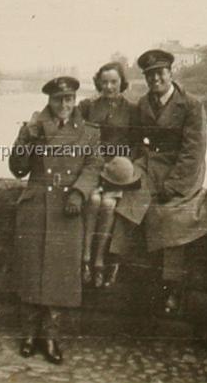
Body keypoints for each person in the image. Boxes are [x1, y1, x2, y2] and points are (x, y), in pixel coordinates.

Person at [112, 49, 207, 313]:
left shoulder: (192, 105)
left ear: (171, 73)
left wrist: (175, 185)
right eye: (150, 75)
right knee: (127, 200)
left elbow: (194, 151)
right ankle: (113, 261)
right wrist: (132, 169)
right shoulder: (144, 104)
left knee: (171, 214)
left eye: (160, 73)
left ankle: (171, 285)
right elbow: (137, 142)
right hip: (150, 166)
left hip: (183, 171)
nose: (155, 79)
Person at [8, 76, 102, 365]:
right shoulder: (33, 128)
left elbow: (94, 165)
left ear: (75, 100)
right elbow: (17, 169)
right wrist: (27, 138)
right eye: (59, 99)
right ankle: (28, 334)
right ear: (49, 101)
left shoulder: (88, 132)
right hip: (36, 205)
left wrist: (78, 193)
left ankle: (50, 337)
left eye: (70, 99)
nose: (65, 105)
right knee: (31, 270)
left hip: (67, 209)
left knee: (59, 275)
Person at [78, 62, 137, 288]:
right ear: (98, 83)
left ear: (122, 82)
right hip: (93, 166)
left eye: (113, 82)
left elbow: (135, 145)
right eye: (104, 82)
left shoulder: (131, 110)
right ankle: (85, 258)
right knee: (93, 200)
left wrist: (124, 167)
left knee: (109, 206)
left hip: (118, 170)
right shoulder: (88, 107)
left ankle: (99, 261)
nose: (109, 87)